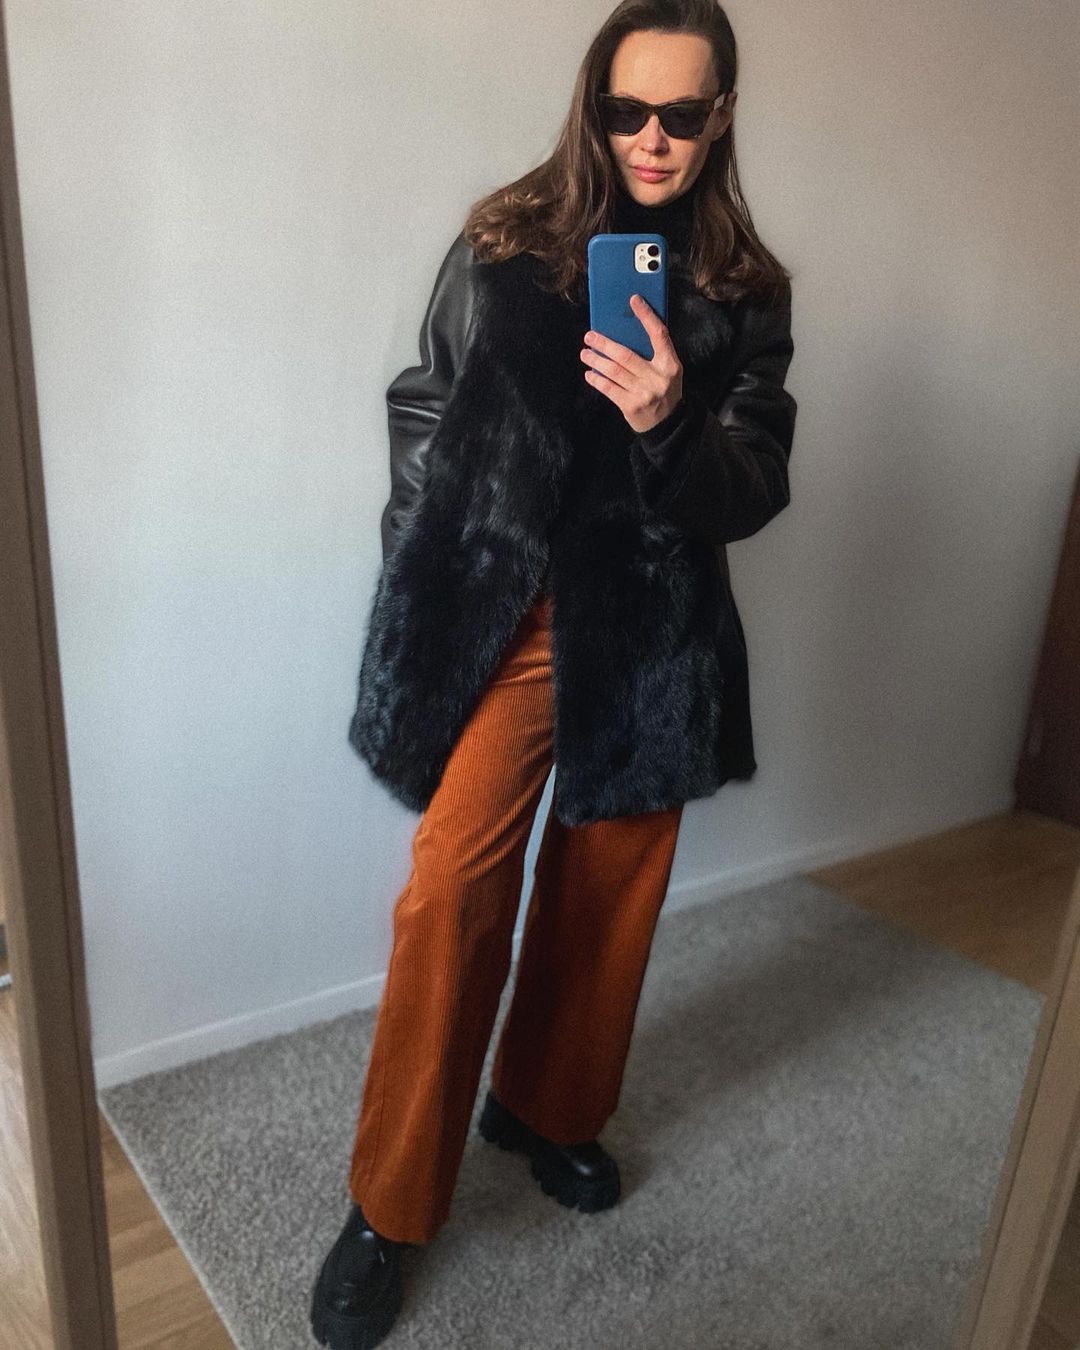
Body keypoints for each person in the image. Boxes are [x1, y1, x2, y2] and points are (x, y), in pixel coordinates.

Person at [310, 0, 797, 1344]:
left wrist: (671, 423)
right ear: (594, 103)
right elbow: (424, 405)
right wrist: (427, 570)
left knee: (606, 899)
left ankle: (543, 1107)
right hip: (509, 621)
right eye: (625, 109)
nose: (651, 139)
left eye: (681, 114)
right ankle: (389, 1203)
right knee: (451, 893)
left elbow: (757, 481)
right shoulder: (508, 237)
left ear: (722, 115)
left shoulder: (745, 288)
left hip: (651, 628)